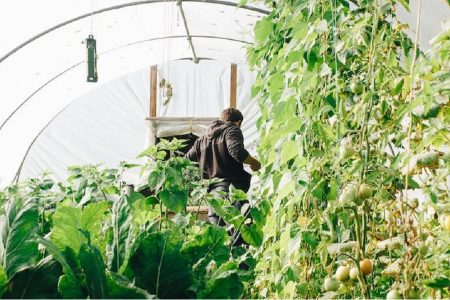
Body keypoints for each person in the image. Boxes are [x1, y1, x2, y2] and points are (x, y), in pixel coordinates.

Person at [185, 108, 261, 240]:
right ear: (238, 122)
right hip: (231, 192)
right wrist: (255, 163)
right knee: (241, 238)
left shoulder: (202, 140)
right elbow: (237, 151)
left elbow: (186, 160)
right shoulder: (232, 129)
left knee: (222, 241)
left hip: (212, 197)